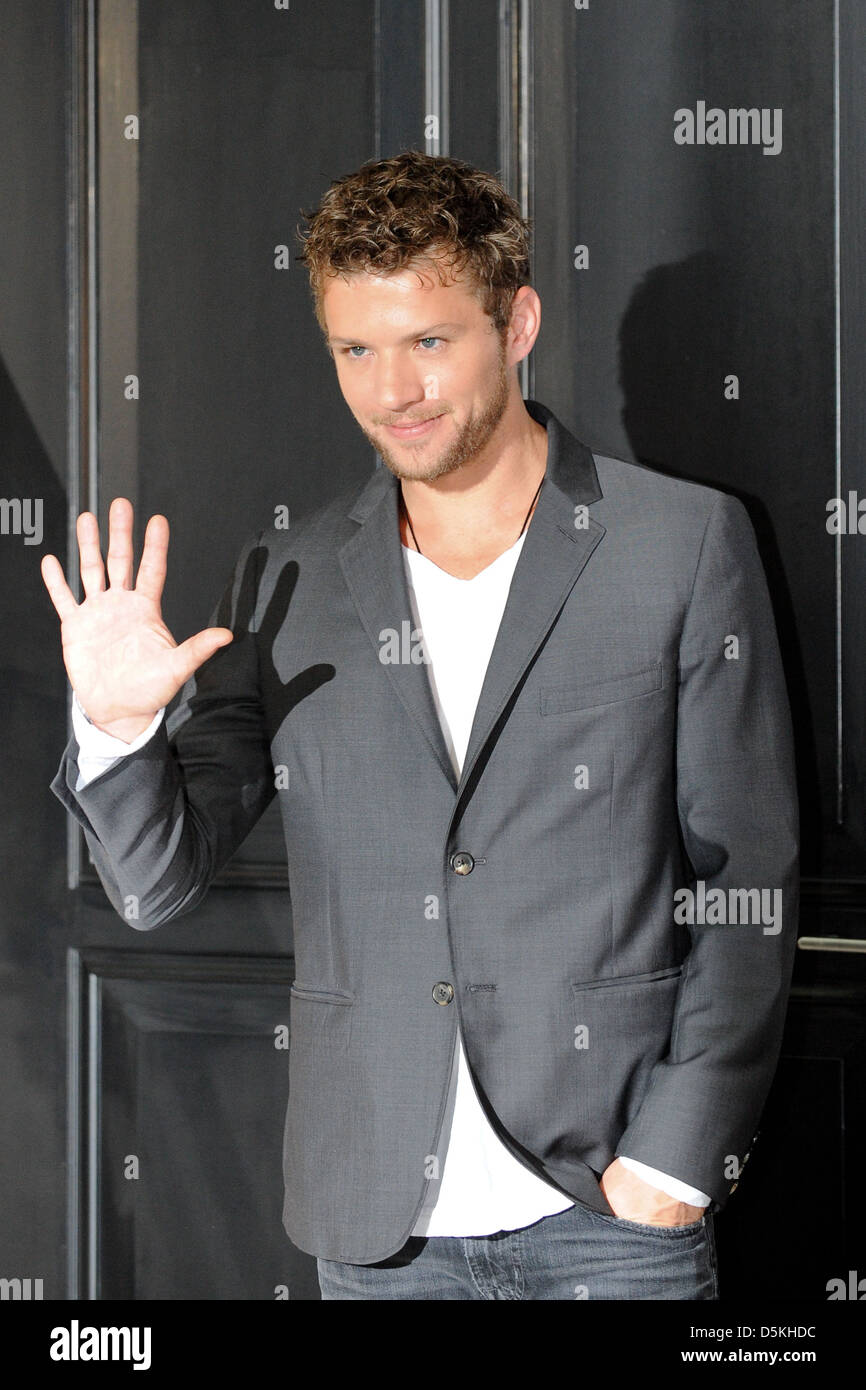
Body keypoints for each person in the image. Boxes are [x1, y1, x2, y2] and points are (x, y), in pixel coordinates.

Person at [43, 150, 799, 1300]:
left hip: (608, 1216)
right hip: (378, 1231)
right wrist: (115, 731)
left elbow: (746, 879)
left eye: (429, 341)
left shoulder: (681, 547)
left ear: (518, 320)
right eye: (356, 349)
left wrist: (673, 1162)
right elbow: (153, 886)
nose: (391, 389)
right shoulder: (282, 576)